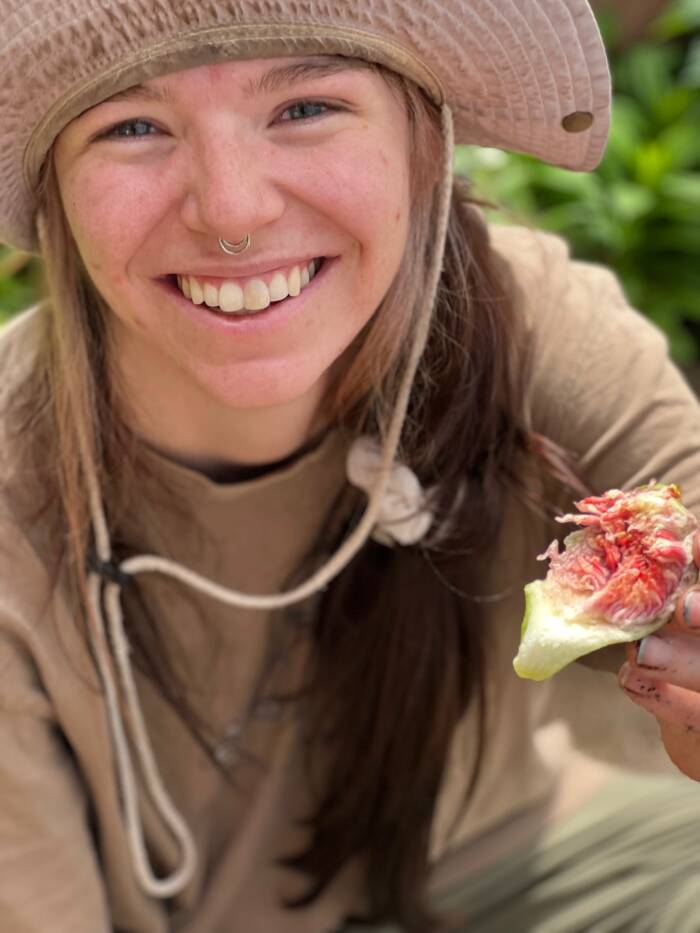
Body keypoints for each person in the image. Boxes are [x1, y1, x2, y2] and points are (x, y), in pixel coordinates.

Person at [1, 1, 700, 931]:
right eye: (133, 126)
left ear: (424, 142)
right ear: (55, 198)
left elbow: (682, 500)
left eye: (305, 108)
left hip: (557, 868)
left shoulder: (525, 313)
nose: (234, 209)